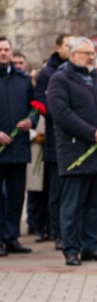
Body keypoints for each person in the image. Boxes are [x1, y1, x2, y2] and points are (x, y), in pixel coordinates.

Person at [46, 37, 97, 266]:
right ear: (73, 54)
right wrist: (93, 133)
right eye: (86, 53)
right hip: (75, 152)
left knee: (95, 204)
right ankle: (70, 248)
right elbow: (61, 113)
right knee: (73, 204)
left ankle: (91, 246)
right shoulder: (60, 79)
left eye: (92, 53)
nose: (91, 57)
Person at [35, 33, 72, 250]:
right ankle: (56, 232)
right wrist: (62, 113)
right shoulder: (47, 73)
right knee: (56, 191)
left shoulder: (79, 73)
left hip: (78, 142)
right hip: (56, 140)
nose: (72, 49)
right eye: (69, 45)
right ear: (58, 47)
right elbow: (42, 101)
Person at [0, 37, 37, 256]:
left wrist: (31, 121)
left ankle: (12, 237)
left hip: (18, 148)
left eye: (6, 49)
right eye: (0, 50)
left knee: (16, 196)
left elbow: (35, 107)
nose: (3, 53)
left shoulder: (23, 80)